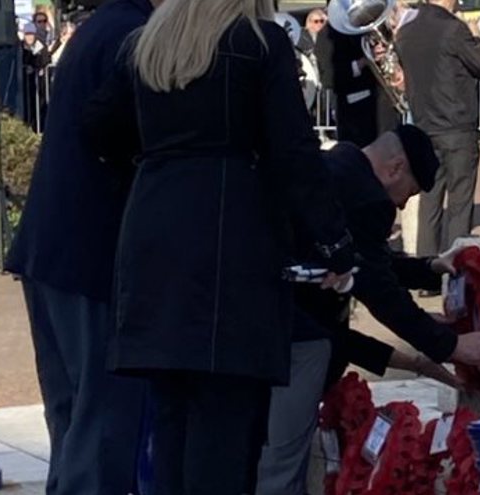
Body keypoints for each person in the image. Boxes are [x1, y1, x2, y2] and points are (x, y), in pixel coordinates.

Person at [81, 0, 356, 491]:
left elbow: (98, 126)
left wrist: (154, 168)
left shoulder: (148, 45)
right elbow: (295, 153)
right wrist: (334, 244)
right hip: (231, 242)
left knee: (171, 421)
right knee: (226, 430)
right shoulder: (257, 43)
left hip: (154, 231)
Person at [255, 125, 480, 495]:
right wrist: (450, 346)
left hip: (264, 330)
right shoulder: (368, 199)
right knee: (280, 467)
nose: (402, 205)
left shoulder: (337, 167)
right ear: (396, 168)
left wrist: (429, 267)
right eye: (410, 193)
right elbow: (378, 290)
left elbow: (367, 262)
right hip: (296, 337)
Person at [4, 0, 155, 492]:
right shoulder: (133, 34)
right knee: (101, 420)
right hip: (92, 251)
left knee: (71, 419)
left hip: (53, 245)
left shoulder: (103, 27)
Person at [395, 0, 480, 286]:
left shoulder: (407, 31)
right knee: (461, 200)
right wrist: (475, 37)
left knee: (430, 198)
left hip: (426, 124)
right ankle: (455, 271)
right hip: (456, 124)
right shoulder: (453, 29)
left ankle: (427, 272)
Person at [315, 12, 399, 147]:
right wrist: (363, 62)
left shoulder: (367, 27)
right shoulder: (327, 35)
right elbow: (329, 78)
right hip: (356, 117)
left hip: (386, 109)